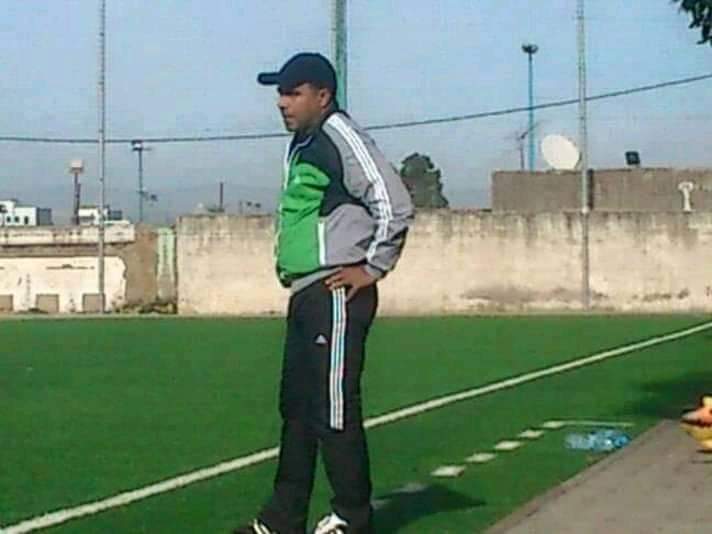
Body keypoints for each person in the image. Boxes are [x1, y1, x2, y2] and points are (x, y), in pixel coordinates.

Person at [235, 52, 413, 534]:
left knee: (333, 406)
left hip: (336, 291)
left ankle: (352, 517)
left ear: (323, 96)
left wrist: (372, 267)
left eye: (293, 93)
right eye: (280, 93)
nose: (282, 103)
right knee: (296, 408)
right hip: (307, 292)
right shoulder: (302, 144)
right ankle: (282, 519)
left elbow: (394, 203)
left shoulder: (340, 135)